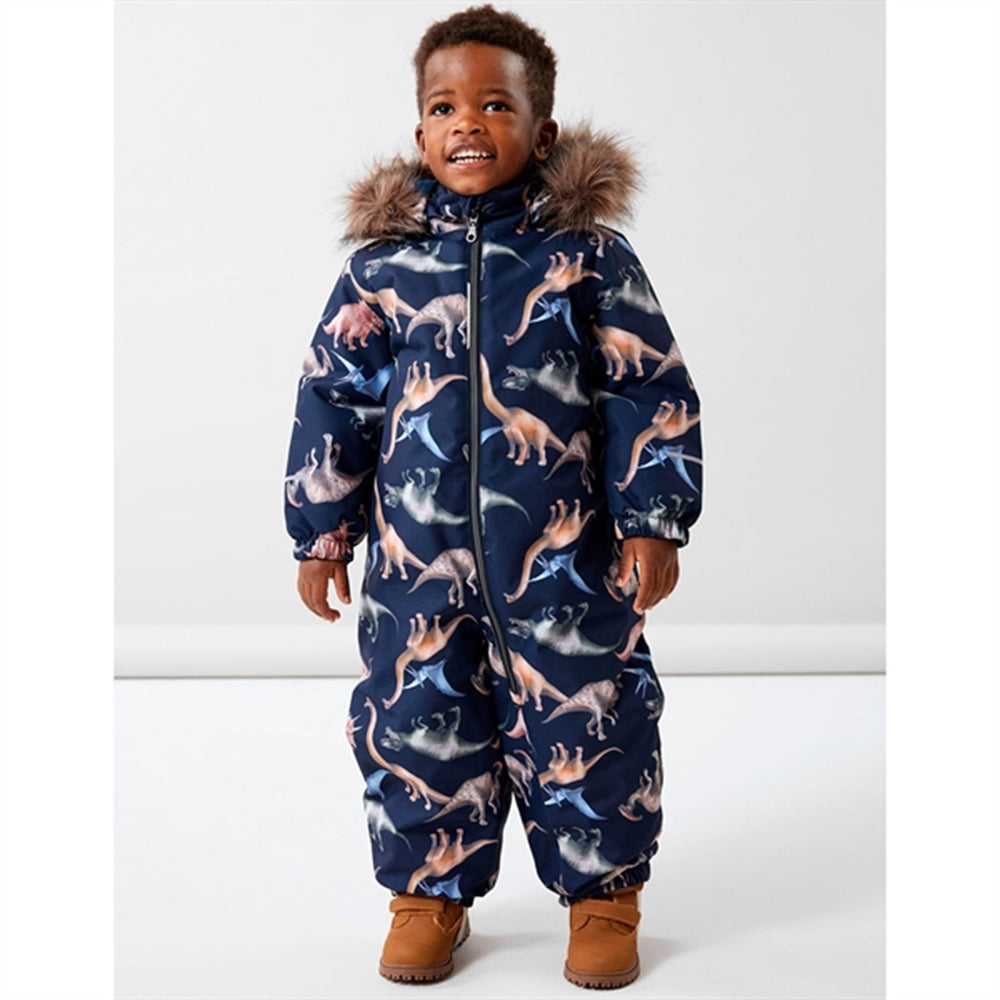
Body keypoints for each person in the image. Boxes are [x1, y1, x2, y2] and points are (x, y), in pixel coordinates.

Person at [283, 3, 703, 989]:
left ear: (541, 132)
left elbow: (647, 390)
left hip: (566, 559)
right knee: (413, 715)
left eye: (494, 104)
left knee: (590, 719)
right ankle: (427, 890)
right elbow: (334, 400)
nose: (466, 121)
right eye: (443, 106)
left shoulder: (588, 260)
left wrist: (654, 520)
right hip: (413, 564)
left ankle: (604, 893)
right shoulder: (381, 271)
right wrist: (321, 532)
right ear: (419, 132)